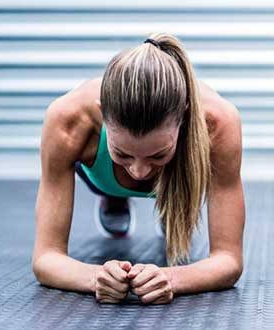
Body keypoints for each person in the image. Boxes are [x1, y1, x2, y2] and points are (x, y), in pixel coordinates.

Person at [32, 33, 245, 304]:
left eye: (158, 154)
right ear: (103, 115)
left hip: (181, 173)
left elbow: (229, 260)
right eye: (123, 153)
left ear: (184, 117)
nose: (139, 171)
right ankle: (114, 193)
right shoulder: (68, 120)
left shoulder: (218, 122)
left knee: (172, 186)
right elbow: (45, 258)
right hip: (101, 178)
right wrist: (96, 277)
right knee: (121, 170)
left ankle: (170, 199)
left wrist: (171, 278)